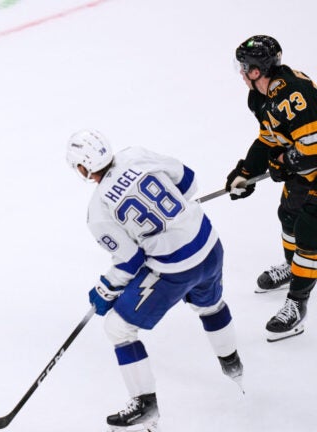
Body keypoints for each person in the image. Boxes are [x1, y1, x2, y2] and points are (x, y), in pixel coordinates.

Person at [66, 130, 242, 431]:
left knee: (118, 328)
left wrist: (105, 289)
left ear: (83, 167)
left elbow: (130, 261)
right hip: (209, 245)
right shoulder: (135, 154)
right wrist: (174, 218)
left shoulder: (97, 211)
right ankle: (234, 369)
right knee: (210, 305)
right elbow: (188, 181)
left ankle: (145, 406)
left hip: (175, 269)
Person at [226, 35, 317, 341]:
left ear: (257, 69)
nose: (241, 72)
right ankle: (293, 267)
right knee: (288, 216)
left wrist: (286, 162)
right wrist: (246, 171)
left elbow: (313, 151)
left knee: (309, 232)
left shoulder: (294, 94)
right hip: (304, 168)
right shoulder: (261, 97)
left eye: (245, 67)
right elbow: (270, 140)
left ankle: (297, 305)